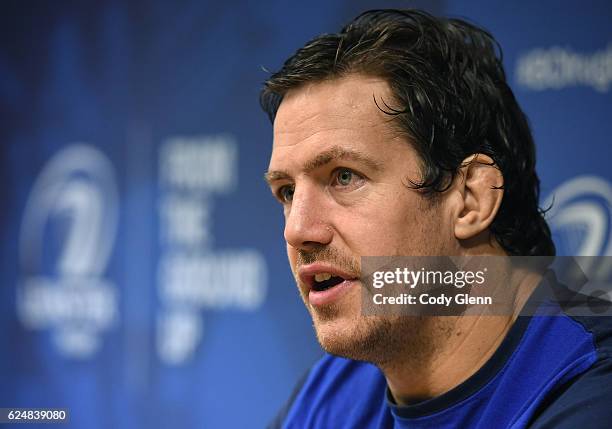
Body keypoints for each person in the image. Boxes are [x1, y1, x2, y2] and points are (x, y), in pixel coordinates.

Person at [261, 9, 612, 428]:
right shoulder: (330, 396)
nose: (297, 229)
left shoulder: (588, 388)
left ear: (470, 199)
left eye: (344, 177)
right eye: (287, 191)